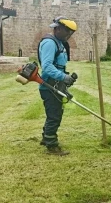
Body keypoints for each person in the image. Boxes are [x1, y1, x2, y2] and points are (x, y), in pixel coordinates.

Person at [38, 16, 77, 156]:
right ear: (58, 28)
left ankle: (46, 137)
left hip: (56, 84)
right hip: (49, 85)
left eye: (71, 33)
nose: (69, 35)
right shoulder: (49, 43)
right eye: (68, 31)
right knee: (54, 115)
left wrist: (65, 78)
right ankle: (52, 145)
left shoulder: (59, 42)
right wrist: (63, 77)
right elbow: (47, 66)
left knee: (54, 113)